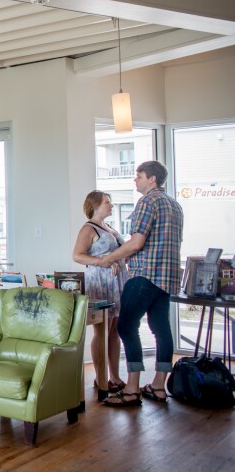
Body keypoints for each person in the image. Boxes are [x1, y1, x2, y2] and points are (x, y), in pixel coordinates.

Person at [98, 161, 183, 407]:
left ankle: (132, 389)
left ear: (152, 179)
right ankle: (158, 386)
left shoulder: (147, 202)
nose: (135, 180)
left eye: (139, 176)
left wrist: (109, 258)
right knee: (161, 329)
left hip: (145, 274)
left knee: (125, 327)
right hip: (166, 278)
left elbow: (136, 243)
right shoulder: (175, 205)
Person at [72, 190, 128, 393]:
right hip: (100, 282)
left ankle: (114, 376)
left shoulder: (110, 227)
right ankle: (100, 377)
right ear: (95, 205)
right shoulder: (88, 229)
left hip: (117, 282)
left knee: (115, 331)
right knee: (102, 330)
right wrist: (101, 262)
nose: (111, 206)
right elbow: (77, 256)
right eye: (107, 202)